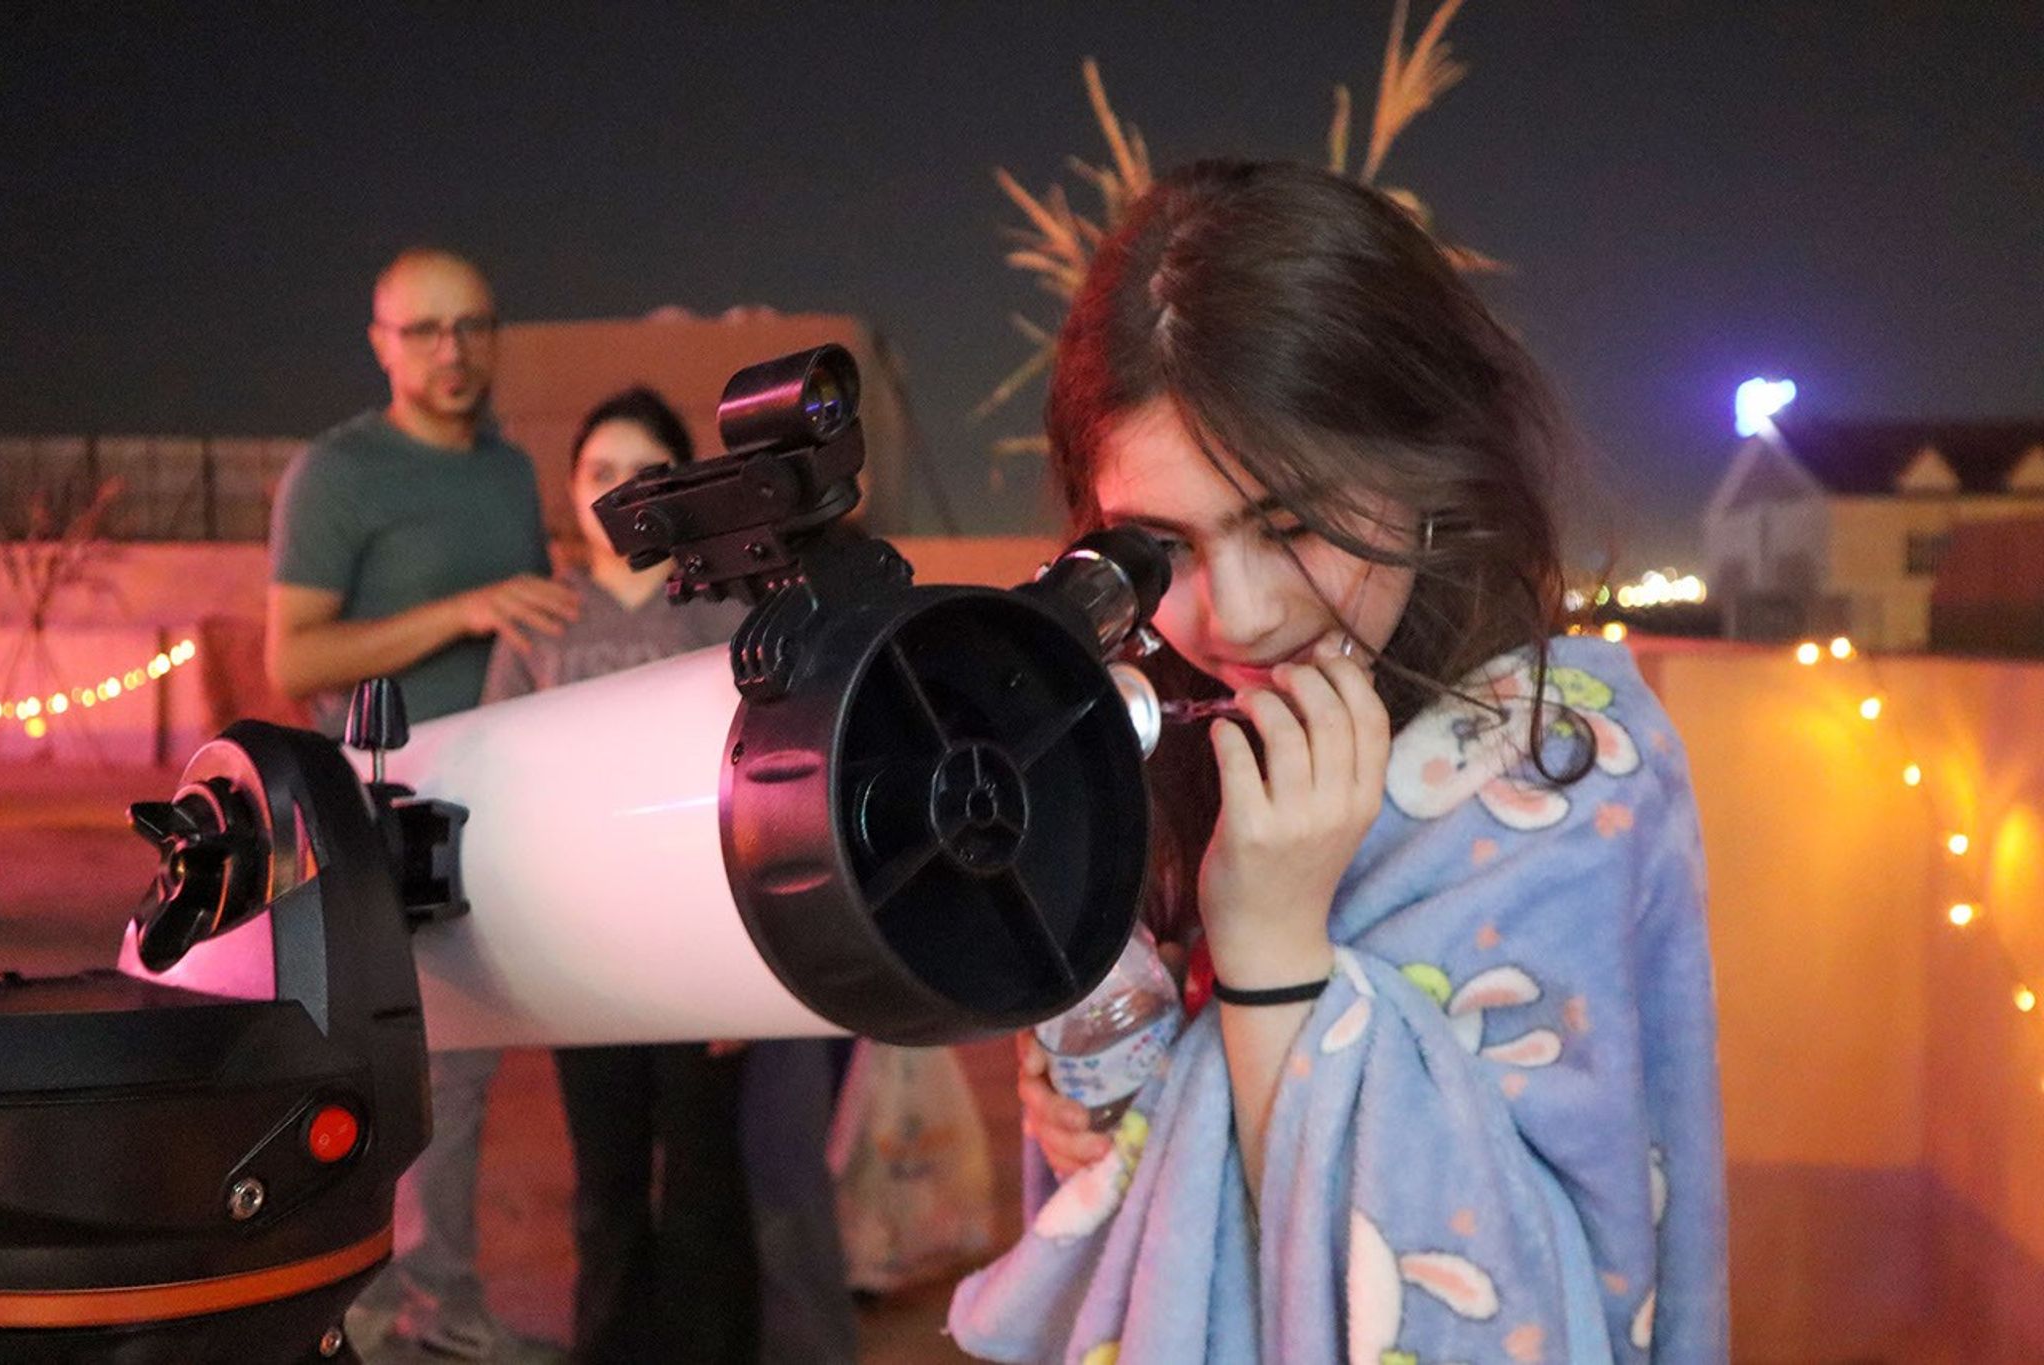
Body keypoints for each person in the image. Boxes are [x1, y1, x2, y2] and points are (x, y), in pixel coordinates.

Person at [948, 160, 1727, 1362]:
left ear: (1425, 458)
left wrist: (1268, 955)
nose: (1238, 615)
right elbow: (1126, 1158)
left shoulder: (1566, 772)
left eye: (1292, 523)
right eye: (1158, 548)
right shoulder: (1137, 730)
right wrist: (1088, 1099)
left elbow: (1517, 1289)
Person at [481, 386, 858, 1365]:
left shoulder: (723, 612)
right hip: (578, 954)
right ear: (570, 489)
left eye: (641, 475)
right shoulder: (541, 617)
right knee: (604, 1178)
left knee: (701, 1174)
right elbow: (498, 784)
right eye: (598, 473)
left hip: (691, 952)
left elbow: (755, 791)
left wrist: (737, 967)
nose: (619, 493)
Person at [267, 246, 574, 1363]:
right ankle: (382, 1309)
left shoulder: (504, 470)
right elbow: (292, 653)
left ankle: (425, 1300)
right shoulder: (337, 474)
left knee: (466, 1073)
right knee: (402, 1069)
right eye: (425, 330)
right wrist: (464, 607)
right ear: (381, 343)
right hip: (380, 812)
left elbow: (526, 634)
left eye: (473, 326)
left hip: (490, 811)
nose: (454, 351)